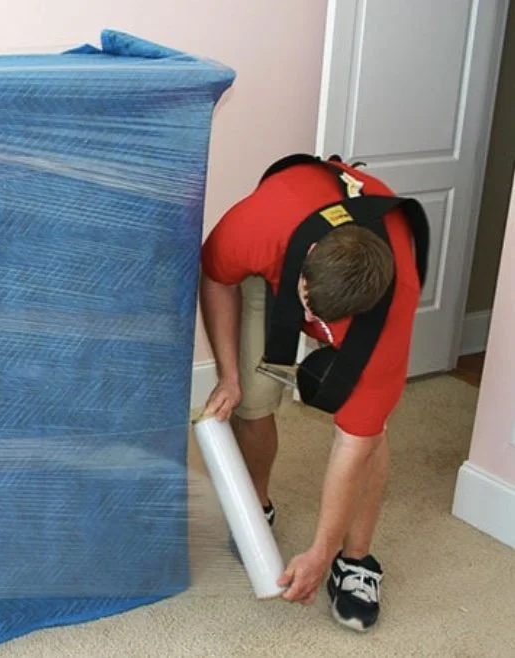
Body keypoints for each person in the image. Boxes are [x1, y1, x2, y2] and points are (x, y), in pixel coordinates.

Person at [199, 155, 424, 632]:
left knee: (370, 428)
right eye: (309, 309)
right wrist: (228, 376)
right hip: (278, 257)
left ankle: (355, 560)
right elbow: (217, 279)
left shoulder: (391, 305)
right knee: (252, 397)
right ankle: (257, 505)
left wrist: (321, 552)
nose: (312, 326)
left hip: (358, 290)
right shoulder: (258, 225)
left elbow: (354, 443)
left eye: (323, 324)